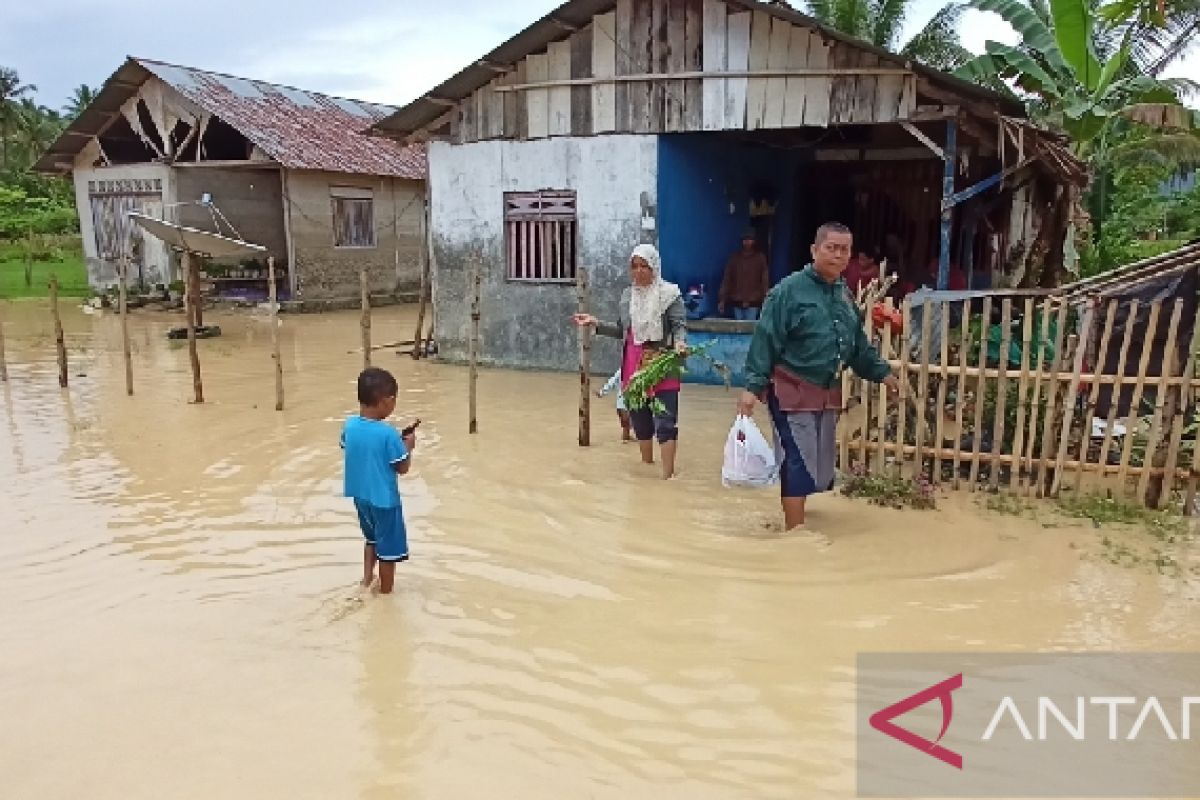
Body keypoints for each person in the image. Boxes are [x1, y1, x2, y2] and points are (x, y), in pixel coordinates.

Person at [737, 222, 901, 530]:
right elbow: (765, 339)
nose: (838, 255)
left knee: (819, 468)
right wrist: (751, 387)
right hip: (790, 390)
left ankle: (798, 515)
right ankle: (795, 536)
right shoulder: (787, 292)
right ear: (815, 250)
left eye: (844, 250)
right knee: (797, 460)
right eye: (831, 248)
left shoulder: (843, 295)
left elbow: (856, 346)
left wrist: (882, 373)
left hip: (826, 394)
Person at [573, 244, 688, 479]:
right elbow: (622, 330)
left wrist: (679, 344)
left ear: (654, 267)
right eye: (634, 267)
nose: (638, 272)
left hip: (661, 363)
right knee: (640, 420)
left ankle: (668, 476)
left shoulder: (669, 294)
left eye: (643, 266)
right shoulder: (628, 296)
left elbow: (679, 327)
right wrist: (595, 323)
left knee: (665, 421)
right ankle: (646, 468)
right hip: (633, 365)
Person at [341, 367, 416, 594]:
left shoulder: (349, 425)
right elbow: (402, 468)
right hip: (385, 501)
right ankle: (386, 594)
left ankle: (366, 580)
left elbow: (350, 448)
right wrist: (408, 447)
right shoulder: (389, 434)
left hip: (360, 497)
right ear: (387, 401)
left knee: (371, 539)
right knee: (389, 552)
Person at [718, 228, 770, 320]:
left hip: (754, 302)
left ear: (754, 241)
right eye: (745, 240)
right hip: (737, 301)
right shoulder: (734, 259)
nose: (747, 242)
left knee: (749, 330)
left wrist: (766, 299)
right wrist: (722, 299)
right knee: (738, 330)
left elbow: (764, 281)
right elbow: (727, 280)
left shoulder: (760, 259)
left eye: (750, 239)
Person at [596, 368, 633, 442]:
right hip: (623, 402)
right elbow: (612, 382)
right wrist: (602, 392)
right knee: (626, 425)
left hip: (628, 403)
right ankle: (626, 441)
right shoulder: (622, 371)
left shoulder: (625, 370)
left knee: (627, 426)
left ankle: (626, 440)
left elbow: (611, 382)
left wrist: (602, 392)